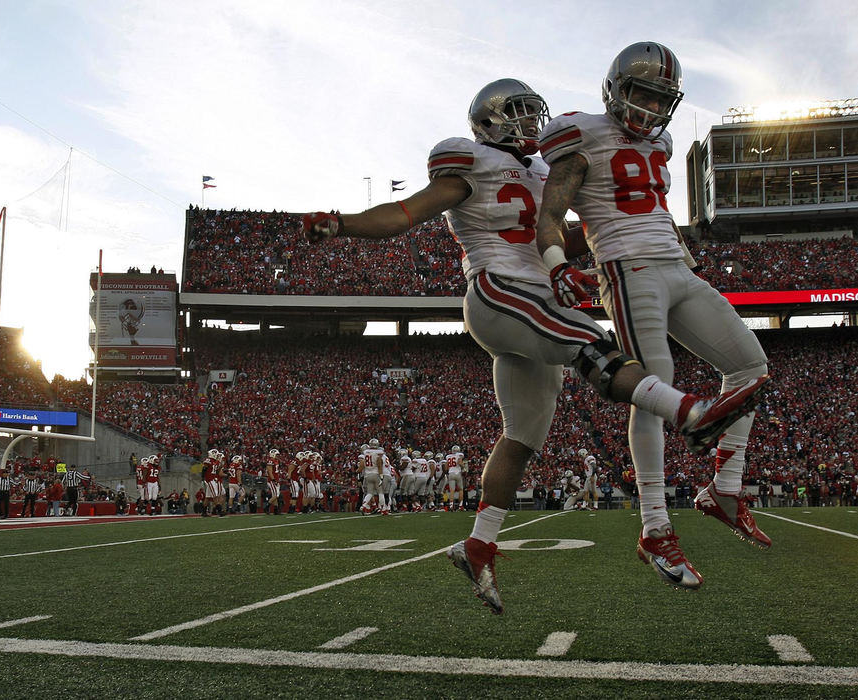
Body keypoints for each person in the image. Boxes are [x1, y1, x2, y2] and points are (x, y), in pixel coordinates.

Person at [301, 78, 766, 613]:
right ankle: (692, 412)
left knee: (522, 437)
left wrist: (579, 260)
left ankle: (478, 543)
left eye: (532, 111)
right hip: (499, 288)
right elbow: (407, 212)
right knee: (593, 341)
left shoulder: (546, 168)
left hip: (537, 300)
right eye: (517, 112)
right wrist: (342, 224)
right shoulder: (470, 161)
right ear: (486, 121)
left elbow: (555, 227)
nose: (528, 122)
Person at [535, 42, 772, 590]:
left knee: (751, 365)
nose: (648, 107)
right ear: (615, 89)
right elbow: (550, 215)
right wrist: (555, 266)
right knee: (653, 383)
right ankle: (655, 527)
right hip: (625, 264)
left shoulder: (661, 141)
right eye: (640, 92)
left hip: (675, 264)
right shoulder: (581, 134)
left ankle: (725, 488)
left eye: (659, 97)